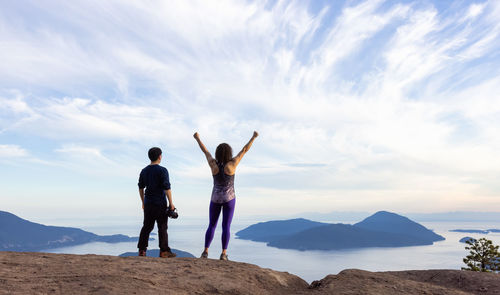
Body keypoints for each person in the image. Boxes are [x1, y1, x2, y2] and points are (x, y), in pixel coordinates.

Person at [194, 131, 259, 260]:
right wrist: (253, 137)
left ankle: (205, 252)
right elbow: (244, 150)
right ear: (229, 153)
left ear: (217, 153)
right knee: (226, 226)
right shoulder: (233, 164)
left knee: (212, 225)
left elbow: (205, 151)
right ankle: (224, 254)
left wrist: (197, 138)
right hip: (229, 199)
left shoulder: (213, 164)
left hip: (215, 198)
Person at [137, 147, 176, 258]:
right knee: (162, 227)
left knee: (147, 227)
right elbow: (167, 188)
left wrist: (143, 202)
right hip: (160, 203)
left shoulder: (144, 171)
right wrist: (171, 203)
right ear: (159, 156)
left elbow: (141, 188)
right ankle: (164, 251)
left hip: (148, 203)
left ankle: (142, 250)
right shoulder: (163, 170)